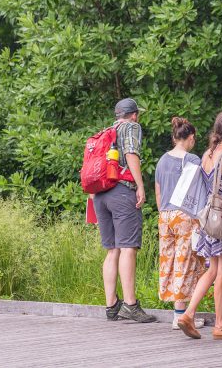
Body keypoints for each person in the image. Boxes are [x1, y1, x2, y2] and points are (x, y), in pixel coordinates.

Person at [177, 108, 222, 340]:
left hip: (209, 220)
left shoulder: (207, 154)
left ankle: (188, 313)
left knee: (213, 269)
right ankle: (221, 324)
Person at [95, 98, 156, 323]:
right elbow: (131, 154)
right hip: (121, 192)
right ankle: (130, 304)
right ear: (134, 115)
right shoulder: (131, 127)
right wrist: (140, 186)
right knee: (128, 248)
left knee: (112, 250)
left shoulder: (106, 131)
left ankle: (111, 306)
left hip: (100, 195)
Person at [155, 117, 206, 330]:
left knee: (169, 261)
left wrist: (164, 213)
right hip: (184, 215)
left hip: (164, 215)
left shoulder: (162, 160)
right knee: (184, 262)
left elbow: (158, 192)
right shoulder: (192, 159)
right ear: (190, 137)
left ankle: (177, 311)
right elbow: (198, 192)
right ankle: (180, 315)